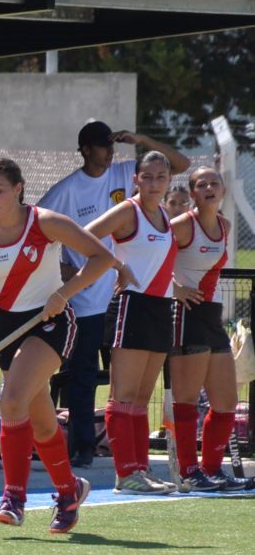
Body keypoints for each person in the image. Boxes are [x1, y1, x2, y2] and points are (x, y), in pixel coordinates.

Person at [0, 158, 114, 533]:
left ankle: (13, 498)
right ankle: (69, 492)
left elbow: (103, 258)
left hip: (50, 321)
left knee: (10, 400)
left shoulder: (46, 222)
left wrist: (64, 292)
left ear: (18, 188)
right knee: (41, 423)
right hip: (10, 327)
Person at [37, 120, 190, 468]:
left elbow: (179, 164)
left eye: (112, 144)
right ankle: (84, 447)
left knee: (136, 394)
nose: (110, 152)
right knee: (86, 376)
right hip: (92, 301)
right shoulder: (69, 189)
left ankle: (136, 465)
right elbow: (42, 229)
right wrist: (64, 270)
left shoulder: (128, 175)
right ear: (86, 149)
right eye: (102, 145)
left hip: (140, 303)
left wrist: (141, 139)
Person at [86, 151, 180, 495]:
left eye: (161, 177)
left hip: (160, 309)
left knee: (141, 399)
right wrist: (117, 265)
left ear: (169, 180)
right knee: (123, 396)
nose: (154, 183)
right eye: (148, 177)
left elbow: (160, 265)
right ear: (136, 180)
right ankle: (125, 473)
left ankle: (141, 470)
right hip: (131, 307)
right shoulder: (129, 211)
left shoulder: (167, 217)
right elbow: (85, 236)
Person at [169, 167, 249, 491]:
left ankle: (212, 470)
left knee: (226, 400)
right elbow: (150, 259)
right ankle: (189, 473)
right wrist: (176, 289)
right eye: (201, 184)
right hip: (187, 314)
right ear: (193, 193)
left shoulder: (225, 226)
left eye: (214, 182)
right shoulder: (182, 225)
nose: (209, 187)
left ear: (223, 190)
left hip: (212, 316)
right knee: (186, 399)